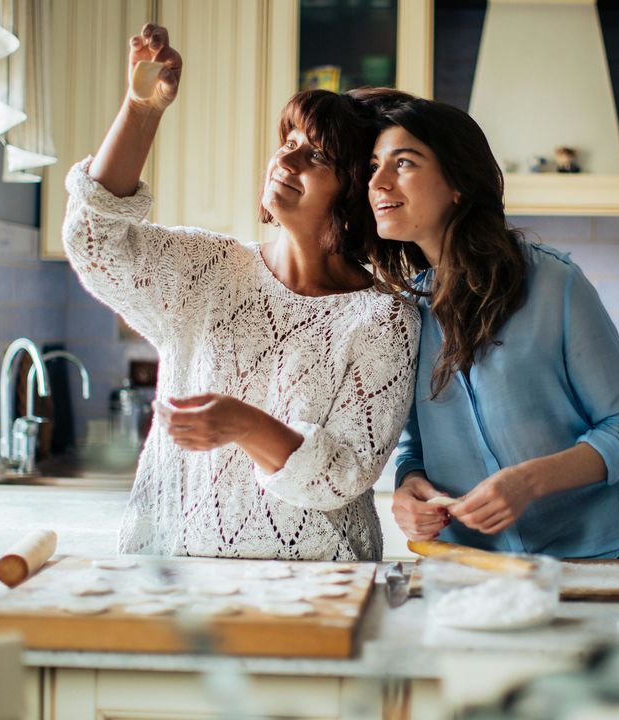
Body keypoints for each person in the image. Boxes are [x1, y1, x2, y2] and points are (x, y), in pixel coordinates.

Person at [62, 25, 420, 560]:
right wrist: (141, 110)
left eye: (317, 156)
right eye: (289, 143)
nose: (287, 160)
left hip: (323, 587)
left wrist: (244, 423)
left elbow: (343, 474)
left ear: (352, 196)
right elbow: (94, 240)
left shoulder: (384, 319)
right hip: (176, 570)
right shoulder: (209, 269)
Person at [358, 92, 619, 558]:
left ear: (458, 182)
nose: (378, 181)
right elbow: (415, 447)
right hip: (471, 567)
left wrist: (528, 481)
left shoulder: (554, 281)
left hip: (594, 559)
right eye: (374, 165)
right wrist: (409, 487)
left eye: (404, 163)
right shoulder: (402, 310)